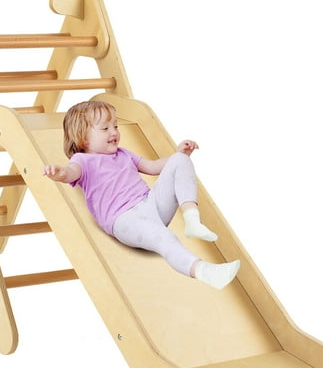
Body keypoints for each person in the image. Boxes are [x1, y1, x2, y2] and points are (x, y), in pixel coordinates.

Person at [43, 100, 240, 290]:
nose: (114, 132)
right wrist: (60, 173)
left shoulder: (123, 153)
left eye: (115, 126)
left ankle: (192, 220)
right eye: (105, 128)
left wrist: (179, 155)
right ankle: (204, 271)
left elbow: (152, 167)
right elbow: (71, 173)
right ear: (83, 137)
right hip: (124, 219)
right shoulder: (83, 160)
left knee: (180, 160)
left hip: (150, 204)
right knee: (165, 237)